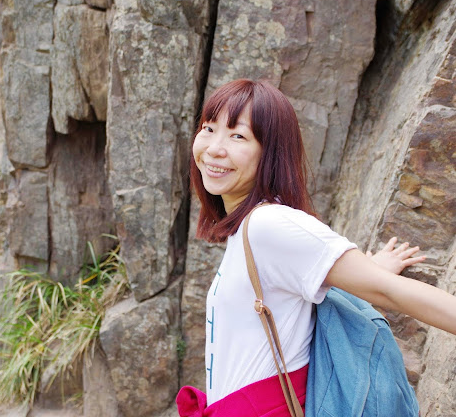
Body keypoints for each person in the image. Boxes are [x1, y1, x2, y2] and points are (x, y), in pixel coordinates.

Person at [176, 79, 456, 417]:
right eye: (209, 128)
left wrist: (372, 275)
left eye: (238, 136)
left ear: (271, 153)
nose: (215, 148)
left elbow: (390, 292)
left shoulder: (268, 225)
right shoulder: (250, 229)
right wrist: (370, 270)